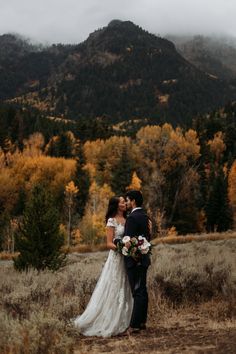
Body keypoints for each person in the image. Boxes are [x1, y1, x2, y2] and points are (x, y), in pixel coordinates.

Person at [73, 196, 133, 337]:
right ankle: (110, 321)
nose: (125, 203)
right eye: (122, 202)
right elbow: (109, 243)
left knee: (125, 288)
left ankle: (125, 321)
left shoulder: (128, 219)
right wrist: (121, 247)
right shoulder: (111, 221)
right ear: (116, 205)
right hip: (116, 259)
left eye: (125, 201)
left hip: (126, 259)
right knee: (113, 288)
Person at [123, 190, 151, 334]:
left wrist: (120, 244)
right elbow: (147, 237)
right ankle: (141, 322)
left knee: (138, 291)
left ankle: (134, 325)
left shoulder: (132, 218)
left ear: (133, 201)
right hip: (144, 258)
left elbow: (128, 241)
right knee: (143, 290)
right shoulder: (145, 216)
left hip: (135, 260)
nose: (126, 203)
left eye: (127, 200)